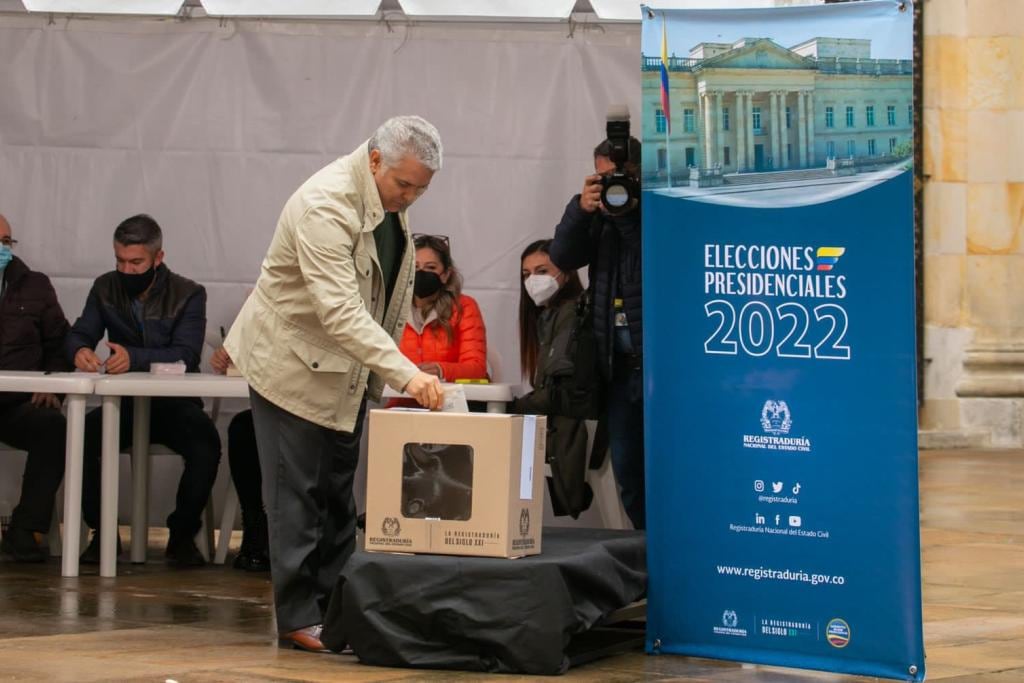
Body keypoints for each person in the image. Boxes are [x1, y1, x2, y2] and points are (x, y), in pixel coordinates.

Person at [224, 115, 445, 654]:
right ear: (375, 160)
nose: (410, 197)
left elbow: (385, 299)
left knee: (337, 496)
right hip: (290, 366)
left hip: (345, 372)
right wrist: (406, 373)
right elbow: (341, 311)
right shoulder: (324, 205)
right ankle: (298, 616)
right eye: (404, 184)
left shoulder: (388, 203)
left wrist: (390, 367)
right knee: (296, 495)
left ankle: (337, 608)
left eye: (421, 188)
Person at [67, 214, 221, 567]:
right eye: (120, 261)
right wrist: (79, 350)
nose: (128, 270)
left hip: (173, 405)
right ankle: (102, 533)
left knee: (207, 445)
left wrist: (133, 358)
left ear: (158, 258)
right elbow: (80, 332)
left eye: (136, 262)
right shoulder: (104, 288)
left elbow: (185, 354)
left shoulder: (189, 293)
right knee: (80, 438)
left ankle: (182, 535)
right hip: (123, 405)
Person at [549, 134, 645, 530]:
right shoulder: (597, 215)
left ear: (639, 174)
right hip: (616, 366)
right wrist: (580, 210)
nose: (611, 186)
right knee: (627, 467)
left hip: (658, 364)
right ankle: (645, 553)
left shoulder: (658, 212)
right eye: (602, 178)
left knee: (671, 463)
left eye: (619, 177)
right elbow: (563, 257)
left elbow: (647, 255)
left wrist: (627, 214)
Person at [509, 239, 601, 518]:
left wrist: (514, 407)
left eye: (542, 271)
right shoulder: (550, 316)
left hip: (570, 425)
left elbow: (560, 394)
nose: (532, 280)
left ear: (566, 273)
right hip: (557, 422)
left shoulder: (573, 314)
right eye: (526, 274)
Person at [0, 213, 72, 562]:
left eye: (6, 242)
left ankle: (25, 529)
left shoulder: (35, 285)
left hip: (16, 404)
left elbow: (61, 343)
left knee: (54, 427)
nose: (2, 249)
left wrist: (54, 383)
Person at [209, 346, 268, 572]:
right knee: (244, 429)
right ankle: (254, 526)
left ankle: (288, 532)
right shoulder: (262, 311)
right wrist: (232, 352)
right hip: (279, 400)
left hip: (318, 405)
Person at [398, 234, 487, 381]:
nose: (421, 273)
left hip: (452, 400)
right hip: (403, 399)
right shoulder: (393, 311)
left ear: (446, 274)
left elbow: (477, 368)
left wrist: (441, 370)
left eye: (430, 267)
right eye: (415, 267)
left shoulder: (464, 307)